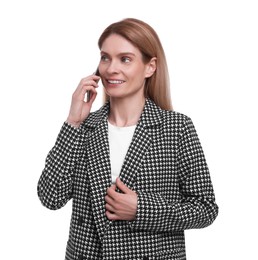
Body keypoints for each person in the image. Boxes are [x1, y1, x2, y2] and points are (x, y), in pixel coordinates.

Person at [37, 18, 218, 260]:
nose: (111, 68)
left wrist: (141, 209)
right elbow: (51, 197)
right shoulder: (85, 127)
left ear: (150, 67)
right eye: (105, 58)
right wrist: (73, 122)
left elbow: (205, 208)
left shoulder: (176, 128)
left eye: (125, 59)